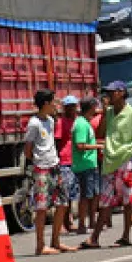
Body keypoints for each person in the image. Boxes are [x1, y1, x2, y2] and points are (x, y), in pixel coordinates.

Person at [87, 81, 132, 250]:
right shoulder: (108, 113)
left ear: (121, 93)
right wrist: (103, 112)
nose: (108, 95)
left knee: (127, 200)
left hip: (126, 162)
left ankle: (125, 235)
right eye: (107, 93)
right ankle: (94, 238)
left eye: (112, 92)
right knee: (105, 200)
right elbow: (100, 133)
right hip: (110, 161)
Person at [23, 90, 72, 255]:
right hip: (42, 168)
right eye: (53, 102)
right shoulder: (34, 123)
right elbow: (28, 149)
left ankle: (56, 241)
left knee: (63, 202)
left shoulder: (50, 121)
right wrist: (38, 161)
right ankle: (40, 245)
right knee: (42, 207)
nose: (55, 105)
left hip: (55, 166)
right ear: (45, 103)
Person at [71, 97, 104, 236]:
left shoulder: (86, 122)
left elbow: (89, 141)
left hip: (91, 164)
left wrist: (101, 143)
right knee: (85, 196)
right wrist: (99, 146)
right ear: (90, 107)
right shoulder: (80, 124)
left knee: (94, 194)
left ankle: (92, 222)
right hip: (83, 166)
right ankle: (82, 225)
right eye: (95, 106)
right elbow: (80, 145)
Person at [56, 96, 81, 234]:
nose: (71, 109)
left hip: (75, 161)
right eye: (68, 106)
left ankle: (68, 222)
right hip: (64, 161)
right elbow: (57, 141)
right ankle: (62, 224)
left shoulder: (76, 121)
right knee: (64, 195)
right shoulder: (61, 122)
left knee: (72, 195)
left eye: (73, 106)